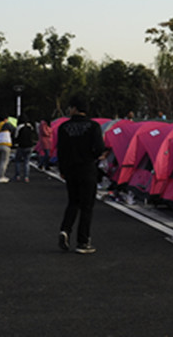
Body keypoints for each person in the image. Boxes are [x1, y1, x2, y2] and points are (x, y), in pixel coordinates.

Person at [56, 95, 108, 254]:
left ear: (74, 109)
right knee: (86, 207)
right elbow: (99, 149)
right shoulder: (93, 127)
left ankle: (65, 230)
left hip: (70, 170)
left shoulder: (64, 127)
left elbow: (61, 151)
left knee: (73, 202)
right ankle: (83, 242)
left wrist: (62, 170)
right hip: (87, 169)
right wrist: (97, 155)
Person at [0, 117, 14, 183]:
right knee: (4, 162)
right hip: (5, 145)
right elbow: (13, 129)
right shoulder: (6, 125)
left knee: (1, 161)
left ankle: (1, 175)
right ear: (5, 119)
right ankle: (1, 177)